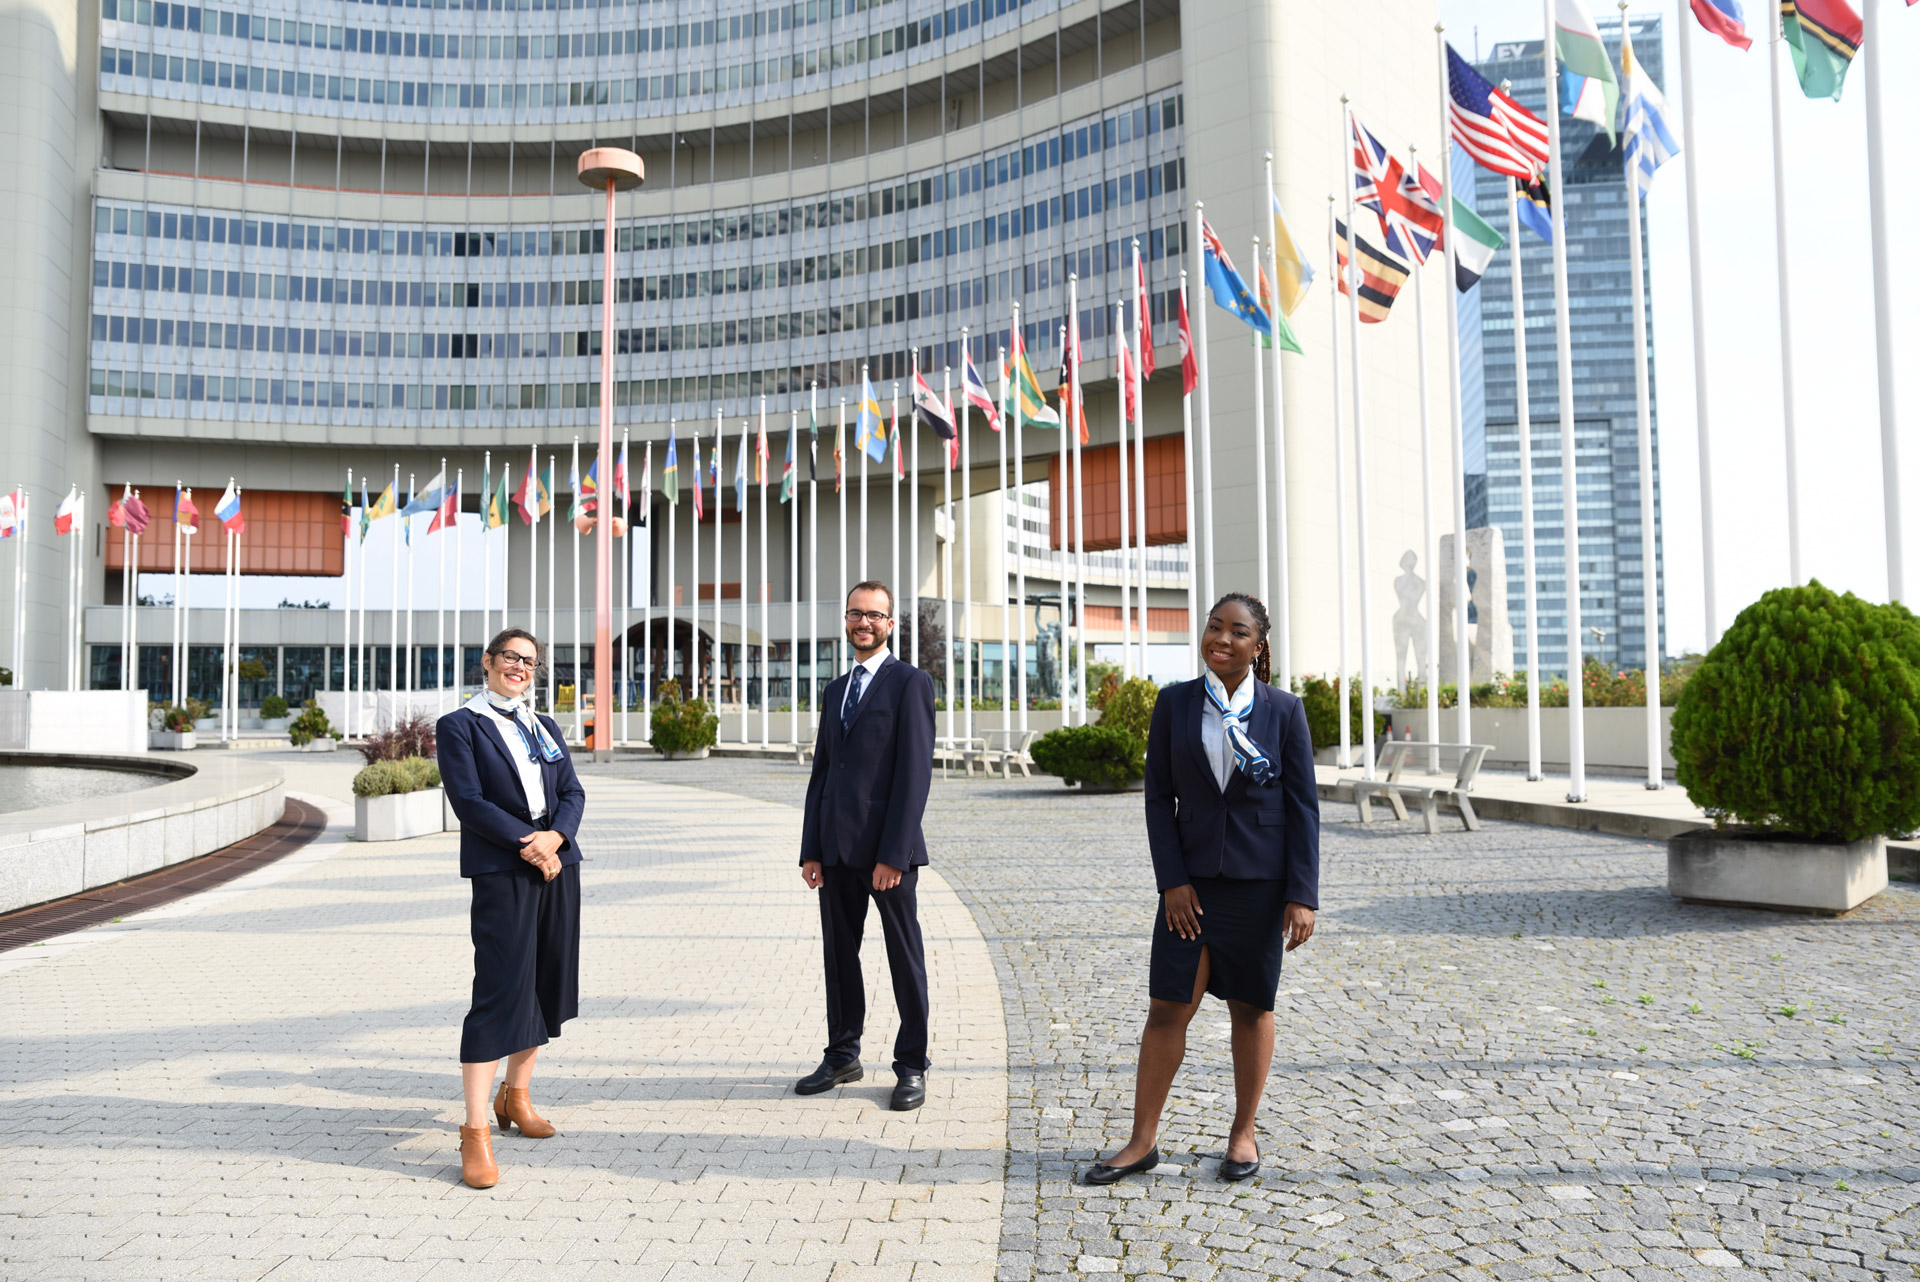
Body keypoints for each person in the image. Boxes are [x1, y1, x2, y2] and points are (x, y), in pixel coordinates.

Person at [1084, 593, 1320, 1185]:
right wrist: (1173, 883)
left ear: (1257, 646)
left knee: (1251, 1006)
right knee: (1168, 1007)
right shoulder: (1176, 703)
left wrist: (1302, 893)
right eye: (1215, 627)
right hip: (1188, 889)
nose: (1221, 638)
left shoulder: (1284, 711)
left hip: (1258, 885)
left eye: (1237, 632)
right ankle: (1142, 1141)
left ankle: (1243, 1134)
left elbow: (1303, 809)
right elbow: (1158, 800)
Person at [436, 627, 587, 1189]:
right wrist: (530, 843)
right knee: (500, 990)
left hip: (557, 864)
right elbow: (469, 803)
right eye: (511, 658)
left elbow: (572, 793)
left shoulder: (543, 725)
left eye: (530, 661)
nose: (521, 668)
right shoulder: (461, 725)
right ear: (488, 661)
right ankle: (475, 1130)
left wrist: (556, 841)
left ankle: (516, 1098)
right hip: (504, 869)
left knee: (545, 983)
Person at [795, 580, 937, 1111]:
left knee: (905, 958)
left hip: (887, 856)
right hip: (834, 853)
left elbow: (914, 774)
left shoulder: (910, 683)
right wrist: (812, 848)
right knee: (839, 958)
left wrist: (892, 855)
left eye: (874, 615)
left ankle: (913, 1064)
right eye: (856, 614)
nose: (864, 623)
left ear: (890, 623)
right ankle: (842, 1055)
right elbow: (823, 773)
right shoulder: (836, 690)